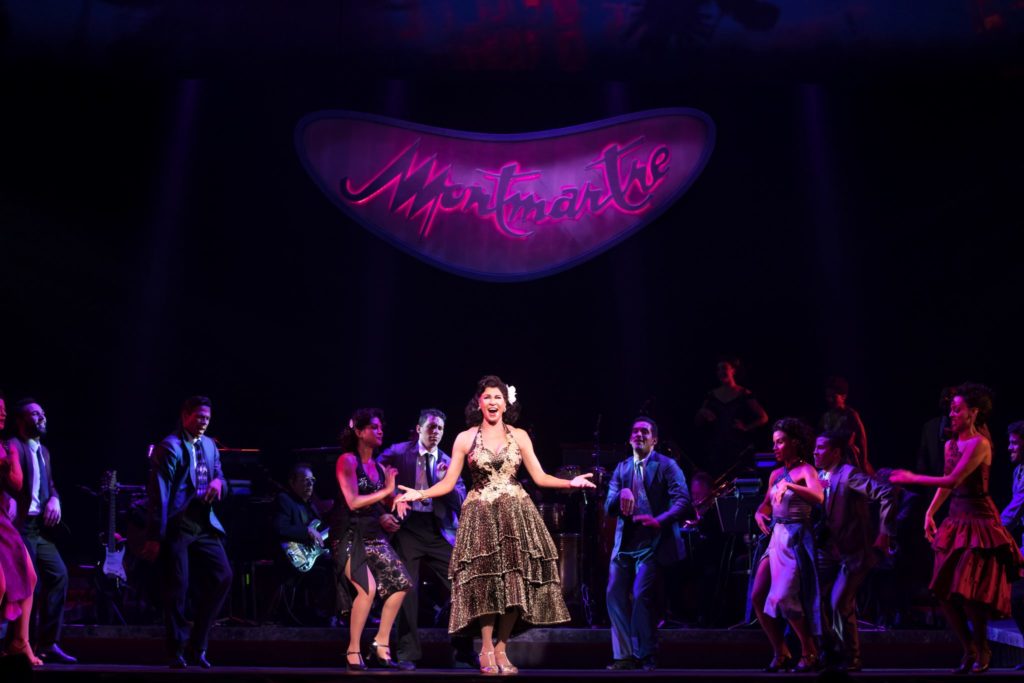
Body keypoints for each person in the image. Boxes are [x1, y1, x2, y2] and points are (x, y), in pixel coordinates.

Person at [395, 375, 595, 674]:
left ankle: (502, 647)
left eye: (497, 397)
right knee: (486, 583)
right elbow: (450, 482)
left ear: (506, 403)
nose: (492, 402)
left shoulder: (520, 436)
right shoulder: (465, 438)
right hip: (481, 514)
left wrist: (570, 482)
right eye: (487, 397)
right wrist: (420, 492)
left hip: (515, 513)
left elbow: (539, 477)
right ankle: (486, 649)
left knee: (516, 581)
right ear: (479, 402)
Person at [891, 382, 1021, 674]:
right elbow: (948, 483)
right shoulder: (950, 443)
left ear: (973, 413)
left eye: (957, 409)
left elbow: (953, 480)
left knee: (968, 591)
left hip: (979, 520)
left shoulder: (980, 444)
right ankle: (969, 648)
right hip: (956, 518)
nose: (951, 413)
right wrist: (929, 512)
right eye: (950, 408)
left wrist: (912, 478)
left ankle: (982, 647)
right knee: (943, 591)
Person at [141, 396, 233, 669]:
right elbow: (159, 495)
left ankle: (197, 645)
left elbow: (222, 479)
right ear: (185, 416)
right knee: (177, 588)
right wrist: (155, 536)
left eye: (207, 417)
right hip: (178, 523)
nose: (203, 422)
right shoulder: (169, 447)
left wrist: (218, 482)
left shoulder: (209, 445)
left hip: (205, 523)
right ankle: (176, 649)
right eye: (199, 417)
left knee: (223, 576)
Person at [378, 409, 474, 670]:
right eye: (431, 427)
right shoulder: (398, 452)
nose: (436, 432)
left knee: (462, 581)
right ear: (419, 429)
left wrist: (447, 482)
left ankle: (463, 648)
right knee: (406, 590)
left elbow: (460, 503)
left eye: (440, 428)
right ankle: (407, 654)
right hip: (407, 529)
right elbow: (373, 478)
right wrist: (387, 504)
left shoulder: (447, 460)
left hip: (437, 529)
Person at [604, 417, 690, 671]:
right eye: (635, 430)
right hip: (626, 544)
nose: (639, 434)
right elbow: (608, 507)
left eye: (645, 431)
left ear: (654, 440)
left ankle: (647, 654)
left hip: (654, 543)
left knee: (642, 595)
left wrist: (658, 520)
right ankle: (624, 656)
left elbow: (683, 501)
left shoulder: (667, 465)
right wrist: (621, 493)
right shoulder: (621, 469)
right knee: (614, 593)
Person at [329, 408, 411, 671]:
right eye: (374, 427)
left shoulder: (379, 468)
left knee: (401, 583)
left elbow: (383, 503)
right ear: (359, 431)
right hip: (349, 536)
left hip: (373, 536)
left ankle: (381, 645)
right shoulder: (347, 461)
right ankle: (353, 651)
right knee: (368, 589)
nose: (380, 431)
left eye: (381, 428)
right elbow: (353, 502)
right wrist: (387, 491)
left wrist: (395, 503)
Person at [813, 430, 898, 671]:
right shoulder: (820, 475)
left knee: (839, 601)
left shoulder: (849, 474)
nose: (815, 452)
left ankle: (852, 657)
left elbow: (886, 492)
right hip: (828, 550)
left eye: (821, 448)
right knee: (816, 600)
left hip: (853, 552)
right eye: (815, 448)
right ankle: (830, 653)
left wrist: (884, 532)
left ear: (836, 452)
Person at [3, 399, 75, 664]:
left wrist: (55, 498)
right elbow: (7, 479)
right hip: (20, 526)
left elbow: (51, 485)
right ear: (20, 421)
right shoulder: (12, 445)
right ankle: (18, 644)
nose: (42, 417)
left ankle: (48, 642)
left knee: (59, 575)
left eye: (43, 413)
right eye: (35, 414)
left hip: (40, 530)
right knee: (25, 584)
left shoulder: (44, 451)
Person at [751, 418, 823, 673]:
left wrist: (791, 485)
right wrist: (760, 513)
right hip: (775, 536)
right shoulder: (774, 474)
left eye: (780, 441)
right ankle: (780, 650)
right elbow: (766, 505)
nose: (775, 447)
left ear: (795, 443)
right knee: (757, 596)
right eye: (774, 443)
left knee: (783, 597)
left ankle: (809, 650)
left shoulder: (806, 471)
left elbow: (819, 497)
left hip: (795, 536)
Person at [0, 394, 42, 666]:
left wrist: (12, 456)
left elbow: (16, 483)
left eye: (4, 409)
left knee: (29, 576)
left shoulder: (5, 446)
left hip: (2, 518)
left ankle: (20, 641)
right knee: (1, 585)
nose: (2, 413)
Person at [268, 463, 332, 623]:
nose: (310, 484)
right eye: (305, 480)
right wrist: (307, 531)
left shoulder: (310, 506)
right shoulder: (284, 500)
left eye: (312, 480)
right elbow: (279, 528)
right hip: (291, 560)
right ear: (292, 482)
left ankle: (336, 614)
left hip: (313, 558)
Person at [694, 356, 768, 474]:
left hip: (737, 447)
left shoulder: (743, 393)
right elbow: (697, 422)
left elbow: (763, 417)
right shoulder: (712, 395)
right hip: (717, 446)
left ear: (733, 370)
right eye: (718, 369)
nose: (721, 372)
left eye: (724, 368)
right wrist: (702, 412)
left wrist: (746, 427)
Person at [999, 421, 1024, 671]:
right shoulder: (1018, 472)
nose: (1009, 447)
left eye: (1015, 443)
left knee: (1017, 595)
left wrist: (991, 531)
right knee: (1016, 596)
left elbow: (1014, 511)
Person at [818, 376, 872, 475]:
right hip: (832, 457)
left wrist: (863, 461)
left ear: (843, 396)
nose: (830, 400)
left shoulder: (850, 414)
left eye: (833, 396)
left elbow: (862, 438)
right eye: (828, 396)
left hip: (849, 457)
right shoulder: (826, 417)